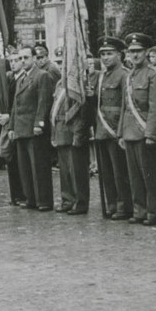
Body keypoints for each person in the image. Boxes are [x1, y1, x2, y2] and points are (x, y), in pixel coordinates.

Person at [118, 33, 156, 226]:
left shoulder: (154, 75)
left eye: (138, 51)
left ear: (146, 52)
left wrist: (152, 134)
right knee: (135, 177)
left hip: (145, 131)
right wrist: (121, 133)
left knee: (150, 177)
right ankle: (140, 210)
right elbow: (125, 107)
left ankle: (154, 212)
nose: (134, 55)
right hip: (130, 132)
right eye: (131, 52)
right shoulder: (129, 76)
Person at [8, 45, 54, 211]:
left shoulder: (42, 76)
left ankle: (44, 200)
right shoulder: (21, 78)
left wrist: (39, 124)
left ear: (34, 58)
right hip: (21, 128)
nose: (22, 61)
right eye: (20, 58)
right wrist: (11, 127)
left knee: (38, 167)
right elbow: (15, 106)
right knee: (25, 167)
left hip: (34, 129)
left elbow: (44, 102)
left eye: (26, 57)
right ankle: (31, 198)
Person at [92, 37, 134, 220]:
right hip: (102, 128)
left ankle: (124, 206)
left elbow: (127, 104)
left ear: (119, 55)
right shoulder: (102, 76)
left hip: (116, 129)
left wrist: (121, 131)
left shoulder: (124, 75)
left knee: (119, 172)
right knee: (106, 172)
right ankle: (111, 204)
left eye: (109, 54)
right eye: (103, 54)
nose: (106, 58)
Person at [50, 69, 90, 215]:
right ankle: (67, 200)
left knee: (76, 171)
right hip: (60, 130)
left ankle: (80, 202)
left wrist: (78, 133)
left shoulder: (78, 84)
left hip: (72, 130)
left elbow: (82, 111)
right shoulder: (60, 83)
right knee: (65, 170)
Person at [0, 48, 27, 205]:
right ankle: (15, 195)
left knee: (19, 161)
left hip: (18, 123)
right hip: (9, 123)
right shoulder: (10, 79)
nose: (14, 64)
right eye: (12, 61)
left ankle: (22, 194)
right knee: (11, 161)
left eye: (17, 60)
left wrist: (9, 116)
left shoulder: (24, 79)